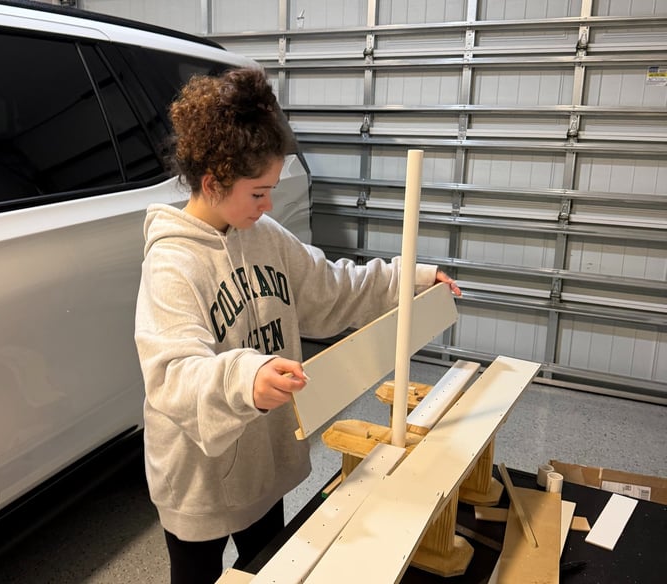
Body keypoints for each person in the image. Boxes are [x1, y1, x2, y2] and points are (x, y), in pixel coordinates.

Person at [134, 66, 461, 584]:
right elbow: (173, 373)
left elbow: (333, 287)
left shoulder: (264, 235)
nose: (268, 205)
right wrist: (246, 377)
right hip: (198, 480)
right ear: (213, 182)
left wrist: (410, 279)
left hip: (262, 462)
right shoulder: (172, 264)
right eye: (257, 193)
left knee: (271, 567)